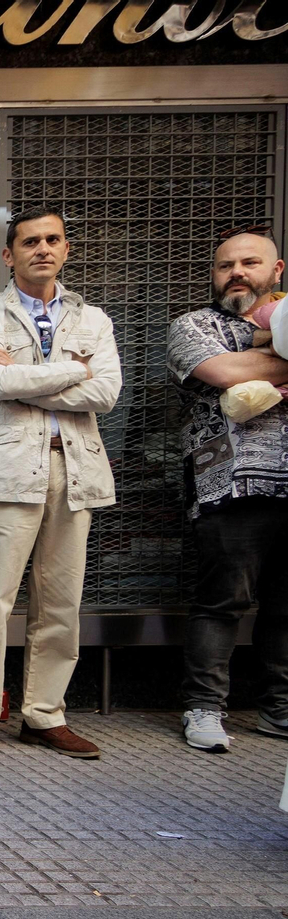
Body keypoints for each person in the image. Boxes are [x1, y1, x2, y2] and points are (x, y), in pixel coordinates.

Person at [0, 208, 121, 764]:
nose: (42, 249)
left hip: (74, 470)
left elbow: (108, 393)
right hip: (3, 472)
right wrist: (77, 370)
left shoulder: (93, 318)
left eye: (52, 239)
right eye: (29, 242)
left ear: (66, 249)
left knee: (61, 603)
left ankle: (44, 714)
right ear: (9, 255)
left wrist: (28, 384)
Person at [167, 227, 288, 752]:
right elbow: (218, 370)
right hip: (228, 484)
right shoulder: (193, 326)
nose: (237, 272)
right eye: (225, 265)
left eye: (250, 262)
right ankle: (204, 708)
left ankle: (278, 709)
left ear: (276, 271)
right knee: (221, 601)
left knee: (286, 607)